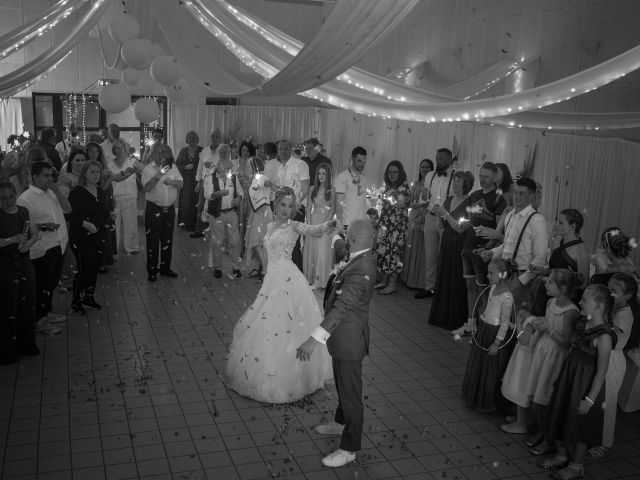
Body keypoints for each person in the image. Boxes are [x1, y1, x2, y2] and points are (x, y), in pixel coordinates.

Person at [226, 187, 335, 404]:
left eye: (290, 206)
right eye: (282, 205)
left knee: (287, 320)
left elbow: (313, 229)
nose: (286, 210)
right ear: (276, 205)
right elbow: (266, 251)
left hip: (288, 277)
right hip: (272, 277)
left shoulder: (294, 226)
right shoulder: (268, 225)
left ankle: (293, 373)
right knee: (268, 321)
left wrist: (327, 225)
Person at [296, 219, 377, 468]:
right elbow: (339, 243)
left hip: (350, 341)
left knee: (351, 395)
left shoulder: (362, 269)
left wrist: (313, 340)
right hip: (342, 339)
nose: (344, 237)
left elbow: (342, 308)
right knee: (342, 384)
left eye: (346, 234)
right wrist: (332, 233)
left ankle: (350, 448)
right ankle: (341, 423)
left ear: (353, 239)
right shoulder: (358, 255)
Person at [539, 284, 616, 480]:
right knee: (563, 414)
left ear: (598, 306)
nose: (580, 302)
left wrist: (589, 400)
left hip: (586, 384)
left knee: (581, 424)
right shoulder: (582, 322)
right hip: (570, 377)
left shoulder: (604, 336)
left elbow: (601, 372)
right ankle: (561, 455)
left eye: (585, 300)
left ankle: (576, 466)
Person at [506, 269, 580, 440]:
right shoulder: (549, 303)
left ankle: (546, 433)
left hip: (554, 355)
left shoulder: (571, 311)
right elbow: (544, 326)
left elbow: (566, 342)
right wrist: (538, 328)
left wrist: (548, 329)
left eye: (550, 282)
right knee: (536, 391)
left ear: (561, 288)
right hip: (541, 351)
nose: (546, 284)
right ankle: (537, 425)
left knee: (546, 394)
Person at [17, 161, 71, 334]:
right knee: (41, 285)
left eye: (51, 175)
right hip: (42, 248)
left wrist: (56, 190)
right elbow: (22, 227)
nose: (50, 179)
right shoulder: (26, 199)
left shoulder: (52, 193)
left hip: (59, 243)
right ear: (35, 177)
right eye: (45, 176)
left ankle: (46, 314)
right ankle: (39, 321)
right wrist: (42, 226)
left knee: (52, 283)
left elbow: (68, 209)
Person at [482, 178, 549, 315]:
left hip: (522, 277)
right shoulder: (510, 215)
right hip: (504, 273)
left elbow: (540, 258)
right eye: (515, 192)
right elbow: (506, 246)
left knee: (516, 318)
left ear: (531, 196)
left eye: (522, 193)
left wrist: (521, 280)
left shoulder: (537, 220)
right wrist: (492, 252)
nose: (516, 197)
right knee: (498, 316)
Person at [588, 273, 638, 459]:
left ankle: (604, 442)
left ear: (628, 296)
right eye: (608, 289)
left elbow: (612, 337)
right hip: (604, 357)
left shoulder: (624, 315)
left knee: (607, 404)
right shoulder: (614, 308)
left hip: (613, 361)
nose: (610, 294)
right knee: (598, 400)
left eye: (615, 291)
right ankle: (594, 434)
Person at [454, 162, 507, 336]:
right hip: (468, 246)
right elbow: (470, 221)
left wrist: (487, 248)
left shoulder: (499, 199)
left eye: (486, 176)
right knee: (470, 287)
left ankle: (483, 331)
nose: (483, 179)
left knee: (483, 291)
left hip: (484, 252)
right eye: (481, 175)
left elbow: (499, 231)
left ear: (494, 177)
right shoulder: (475, 195)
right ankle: (471, 325)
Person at [461, 257, 517, 412]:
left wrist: (497, 343)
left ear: (503, 274)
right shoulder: (493, 288)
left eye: (491, 273)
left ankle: (489, 400)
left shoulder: (507, 297)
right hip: (485, 329)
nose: (488, 276)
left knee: (491, 367)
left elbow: (505, 322)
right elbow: (488, 308)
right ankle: (476, 394)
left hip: (495, 334)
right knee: (480, 363)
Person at [429, 171, 475, 330]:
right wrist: (439, 218)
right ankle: (441, 316)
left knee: (456, 280)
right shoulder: (448, 199)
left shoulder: (470, 202)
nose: (454, 184)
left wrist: (445, 214)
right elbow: (442, 224)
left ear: (465, 184)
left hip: (460, 243)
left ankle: (455, 319)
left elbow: (461, 228)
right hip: (447, 241)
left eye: (458, 181)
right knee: (444, 276)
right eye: (454, 181)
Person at [0, 181, 40, 364]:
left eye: (10, 196)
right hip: (6, 267)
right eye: (4, 198)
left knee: (27, 305)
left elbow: (34, 232)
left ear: (15, 194)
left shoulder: (23, 211)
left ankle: (26, 345)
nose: (8, 201)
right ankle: (9, 351)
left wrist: (28, 244)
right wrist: (12, 240)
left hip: (24, 264)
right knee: (9, 308)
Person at [67, 160, 110, 313]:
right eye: (92, 171)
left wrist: (110, 216)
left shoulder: (100, 191)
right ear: (84, 173)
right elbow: (68, 214)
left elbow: (103, 211)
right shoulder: (77, 192)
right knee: (83, 269)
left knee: (94, 268)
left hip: (99, 236)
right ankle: (76, 301)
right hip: (81, 237)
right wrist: (85, 223)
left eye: (97, 172)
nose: (95, 175)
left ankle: (88, 297)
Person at [416, 148, 455, 299]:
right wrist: (424, 198)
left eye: (442, 159)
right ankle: (429, 287)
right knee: (430, 254)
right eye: (437, 158)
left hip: (447, 220)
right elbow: (423, 199)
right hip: (431, 217)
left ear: (450, 160)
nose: (438, 162)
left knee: (444, 255)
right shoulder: (430, 176)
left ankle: (442, 289)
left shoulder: (456, 176)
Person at [141, 144, 182, 281]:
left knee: (167, 240)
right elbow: (147, 188)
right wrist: (159, 175)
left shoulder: (173, 167)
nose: (160, 155)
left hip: (169, 209)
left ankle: (165, 268)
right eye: (157, 152)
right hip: (154, 209)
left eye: (163, 152)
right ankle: (152, 271)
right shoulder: (148, 169)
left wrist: (172, 182)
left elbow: (180, 184)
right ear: (152, 154)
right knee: (152, 241)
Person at [204, 145, 243, 279]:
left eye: (229, 169)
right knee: (217, 242)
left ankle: (236, 267)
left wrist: (238, 199)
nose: (228, 172)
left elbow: (240, 193)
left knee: (235, 241)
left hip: (231, 213)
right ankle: (217, 267)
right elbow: (207, 195)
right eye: (226, 169)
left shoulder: (233, 178)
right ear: (219, 167)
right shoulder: (211, 178)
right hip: (217, 213)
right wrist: (217, 194)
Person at [374, 161, 410, 295]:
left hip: (397, 226)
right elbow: (385, 206)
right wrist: (378, 220)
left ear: (400, 173)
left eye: (395, 172)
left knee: (394, 253)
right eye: (389, 172)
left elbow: (400, 204)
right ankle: (384, 280)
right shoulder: (389, 186)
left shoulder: (404, 185)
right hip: (385, 224)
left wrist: (387, 198)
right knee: (383, 251)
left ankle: (392, 284)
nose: (392, 174)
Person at [529, 209, 590, 288]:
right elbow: (553, 270)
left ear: (572, 226)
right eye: (557, 221)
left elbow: (583, 283)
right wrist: (543, 271)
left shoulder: (581, 249)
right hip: (550, 289)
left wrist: (555, 282)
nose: (556, 225)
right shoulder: (556, 241)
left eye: (561, 223)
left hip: (568, 296)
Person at [275, 140, 309, 272]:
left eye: (285, 149)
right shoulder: (280, 168)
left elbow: (305, 188)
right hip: (283, 210)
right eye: (280, 149)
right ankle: (287, 274)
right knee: (284, 243)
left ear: (290, 150)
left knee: (293, 244)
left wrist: (296, 204)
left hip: (296, 210)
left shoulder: (300, 164)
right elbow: (282, 190)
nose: (283, 151)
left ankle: (298, 276)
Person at [401, 159, 433, 289]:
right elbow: (409, 203)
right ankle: (410, 279)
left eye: (427, 167)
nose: (424, 169)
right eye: (422, 167)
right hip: (414, 216)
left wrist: (424, 210)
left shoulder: (433, 184)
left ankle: (422, 281)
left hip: (427, 217)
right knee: (412, 246)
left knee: (423, 250)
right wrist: (420, 205)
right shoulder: (416, 184)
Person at [303, 162, 334, 289]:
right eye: (319, 173)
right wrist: (310, 224)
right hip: (314, 222)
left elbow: (332, 210)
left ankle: (322, 280)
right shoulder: (312, 189)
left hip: (326, 224)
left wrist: (325, 226)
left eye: (324, 174)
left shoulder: (332, 189)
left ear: (328, 175)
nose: (321, 176)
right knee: (313, 252)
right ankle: (312, 279)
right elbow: (309, 206)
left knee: (322, 254)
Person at [108, 140, 141, 255]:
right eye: (117, 148)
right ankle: (113, 248)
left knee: (131, 222)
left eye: (122, 147)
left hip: (130, 195)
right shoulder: (109, 164)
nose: (120, 149)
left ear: (125, 148)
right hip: (115, 196)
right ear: (114, 151)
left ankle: (132, 247)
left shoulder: (133, 161)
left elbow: (143, 169)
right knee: (114, 224)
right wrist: (127, 172)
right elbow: (113, 179)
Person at [192, 129, 222, 238]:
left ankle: (214, 231)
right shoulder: (205, 150)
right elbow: (200, 167)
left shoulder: (223, 151)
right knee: (200, 205)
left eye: (216, 136)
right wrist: (198, 182)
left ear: (220, 139)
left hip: (217, 182)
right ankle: (199, 230)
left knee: (215, 207)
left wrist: (213, 166)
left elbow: (226, 166)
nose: (214, 138)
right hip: (205, 182)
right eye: (213, 136)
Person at [335, 146, 370, 231]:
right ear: (352, 159)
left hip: (361, 223)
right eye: (359, 161)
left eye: (364, 161)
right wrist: (339, 223)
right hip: (347, 223)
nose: (362, 164)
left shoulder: (364, 177)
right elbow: (339, 203)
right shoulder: (343, 177)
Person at [176, 131, 202, 232]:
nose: (191, 140)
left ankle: (197, 225)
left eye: (194, 138)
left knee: (197, 202)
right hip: (186, 181)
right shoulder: (183, 151)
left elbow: (206, 165)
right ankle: (185, 224)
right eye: (190, 138)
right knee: (186, 201)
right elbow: (176, 165)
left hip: (197, 181)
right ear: (187, 140)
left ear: (197, 139)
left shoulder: (202, 150)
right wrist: (185, 167)